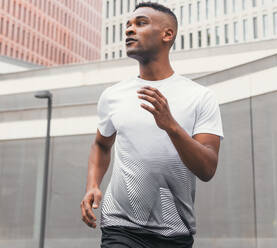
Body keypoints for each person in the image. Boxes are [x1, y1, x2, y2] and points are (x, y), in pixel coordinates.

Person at [80, 2, 224, 248]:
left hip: (175, 231)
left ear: (167, 34)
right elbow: (101, 145)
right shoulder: (113, 95)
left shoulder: (200, 96)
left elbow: (207, 168)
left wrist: (171, 126)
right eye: (128, 25)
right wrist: (92, 184)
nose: (129, 30)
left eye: (140, 23)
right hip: (120, 227)